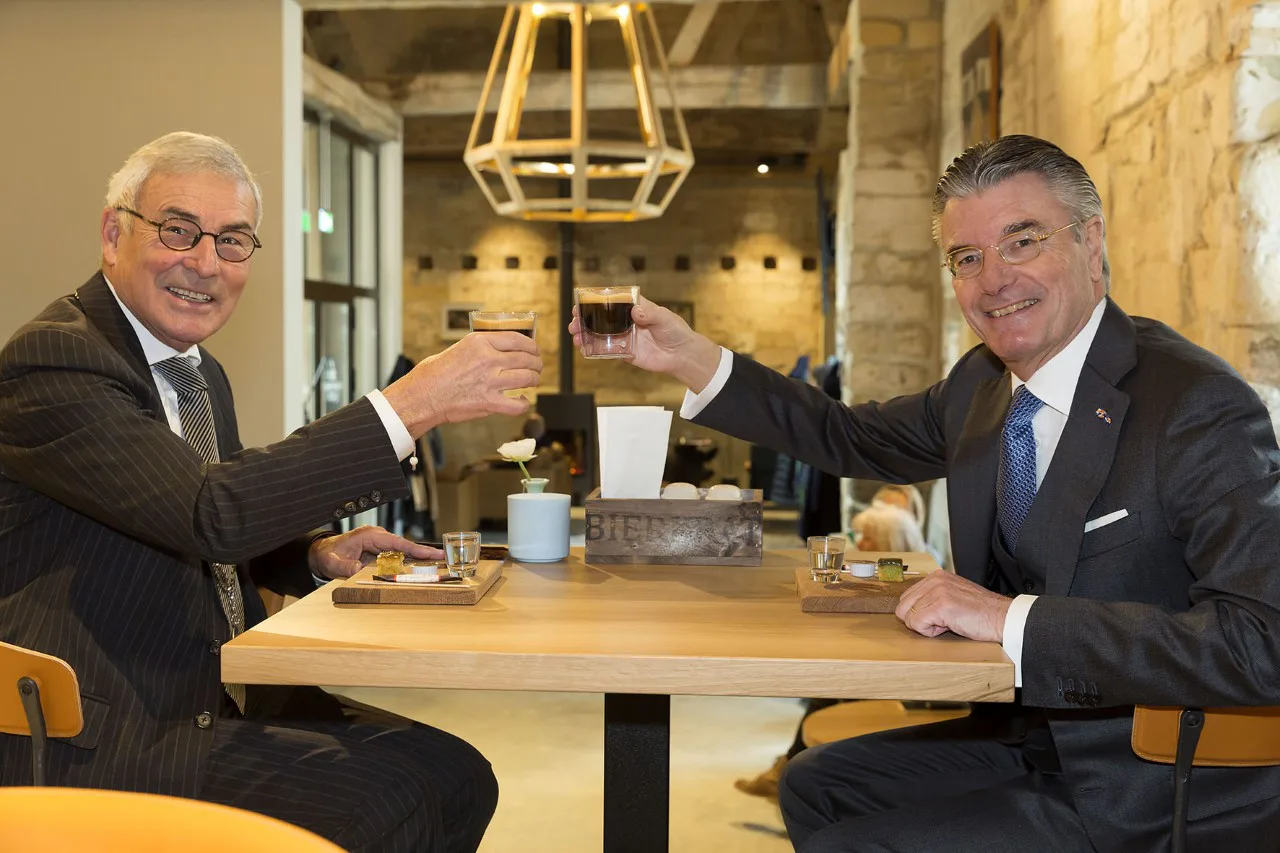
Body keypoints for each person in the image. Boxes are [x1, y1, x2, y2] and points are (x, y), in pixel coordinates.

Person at [570, 134, 1280, 851]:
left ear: (1091, 243)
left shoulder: (1195, 404)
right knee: (816, 782)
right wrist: (689, 355)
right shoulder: (981, 385)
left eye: (1022, 241)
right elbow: (848, 435)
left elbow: (1263, 641)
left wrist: (1010, 619)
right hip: (1031, 739)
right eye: (967, 258)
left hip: (1155, 782)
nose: (993, 279)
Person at [0, 132, 542, 853]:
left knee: (459, 774)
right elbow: (210, 514)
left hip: (212, 690)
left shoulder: (196, 373)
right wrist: (411, 404)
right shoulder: (56, 361)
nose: (204, 263)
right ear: (112, 233)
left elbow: (188, 511)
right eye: (177, 230)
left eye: (232, 241)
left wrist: (315, 555)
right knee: (391, 800)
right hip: (106, 732)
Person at [734, 501, 930, 802]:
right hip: (886, 657)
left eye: (866, 536)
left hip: (910, 674)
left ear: (890, 542)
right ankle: (789, 769)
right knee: (828, 686)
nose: (859, 542)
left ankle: (790, 771)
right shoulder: (881, 572)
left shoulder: (920, 578)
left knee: (836, 684)